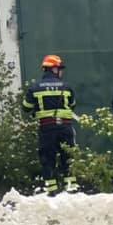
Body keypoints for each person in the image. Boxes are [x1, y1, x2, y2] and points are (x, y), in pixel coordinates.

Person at [23, 54, 79, 195]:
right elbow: (72, 105)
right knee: (68, 157)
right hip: (65, 127)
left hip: (47, 128)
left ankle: (51, 191)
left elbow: (26, 107)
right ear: (54, 69)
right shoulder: (67, 87)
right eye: (60, 69)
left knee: (48, 159)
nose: (61, 72)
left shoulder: (35, 88)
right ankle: (71, 188)